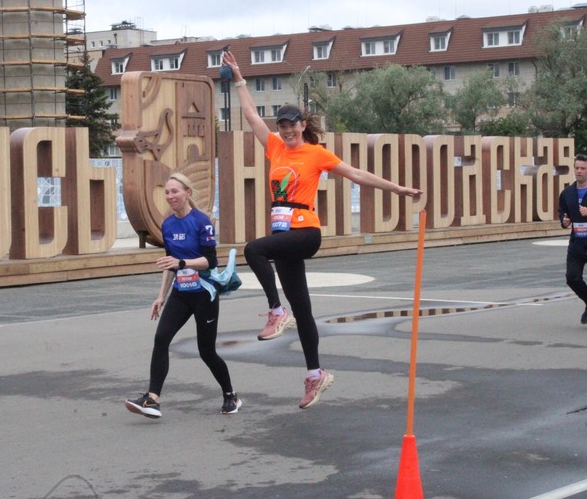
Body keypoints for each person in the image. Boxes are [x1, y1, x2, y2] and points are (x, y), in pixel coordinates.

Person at [221, 50, 423, 409]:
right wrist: (239, 78)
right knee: (304, 308)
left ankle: (275, 311)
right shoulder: (274, 149)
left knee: (253, 249)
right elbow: (251, 115)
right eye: (281, 125)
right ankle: (316, 375)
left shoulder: (316, 154)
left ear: (302, 125)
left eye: (290, 125)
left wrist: (398, 189)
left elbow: (357, 175)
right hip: (284, 236)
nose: (284, 130)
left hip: (306, 231)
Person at [125, 173, 242, 418]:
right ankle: (153, 399)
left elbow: (209, 261)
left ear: (187, 192)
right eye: (167, 192)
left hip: (204, 294)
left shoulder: (202, 222)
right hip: (180, 294)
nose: (170, 196)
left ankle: (230, 395)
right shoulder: (167, 225)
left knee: (206, 351)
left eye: (175, 191)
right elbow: (170, 263)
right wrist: (160, 296)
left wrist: (182, 262)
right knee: (161, 340)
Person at [558, 153, 587, 324]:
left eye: (583, 168)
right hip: (577, 243)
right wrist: (564, 221)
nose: (579, 171)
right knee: (572, 277)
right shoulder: (567, 193)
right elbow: (562, 212)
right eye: (577, 168)